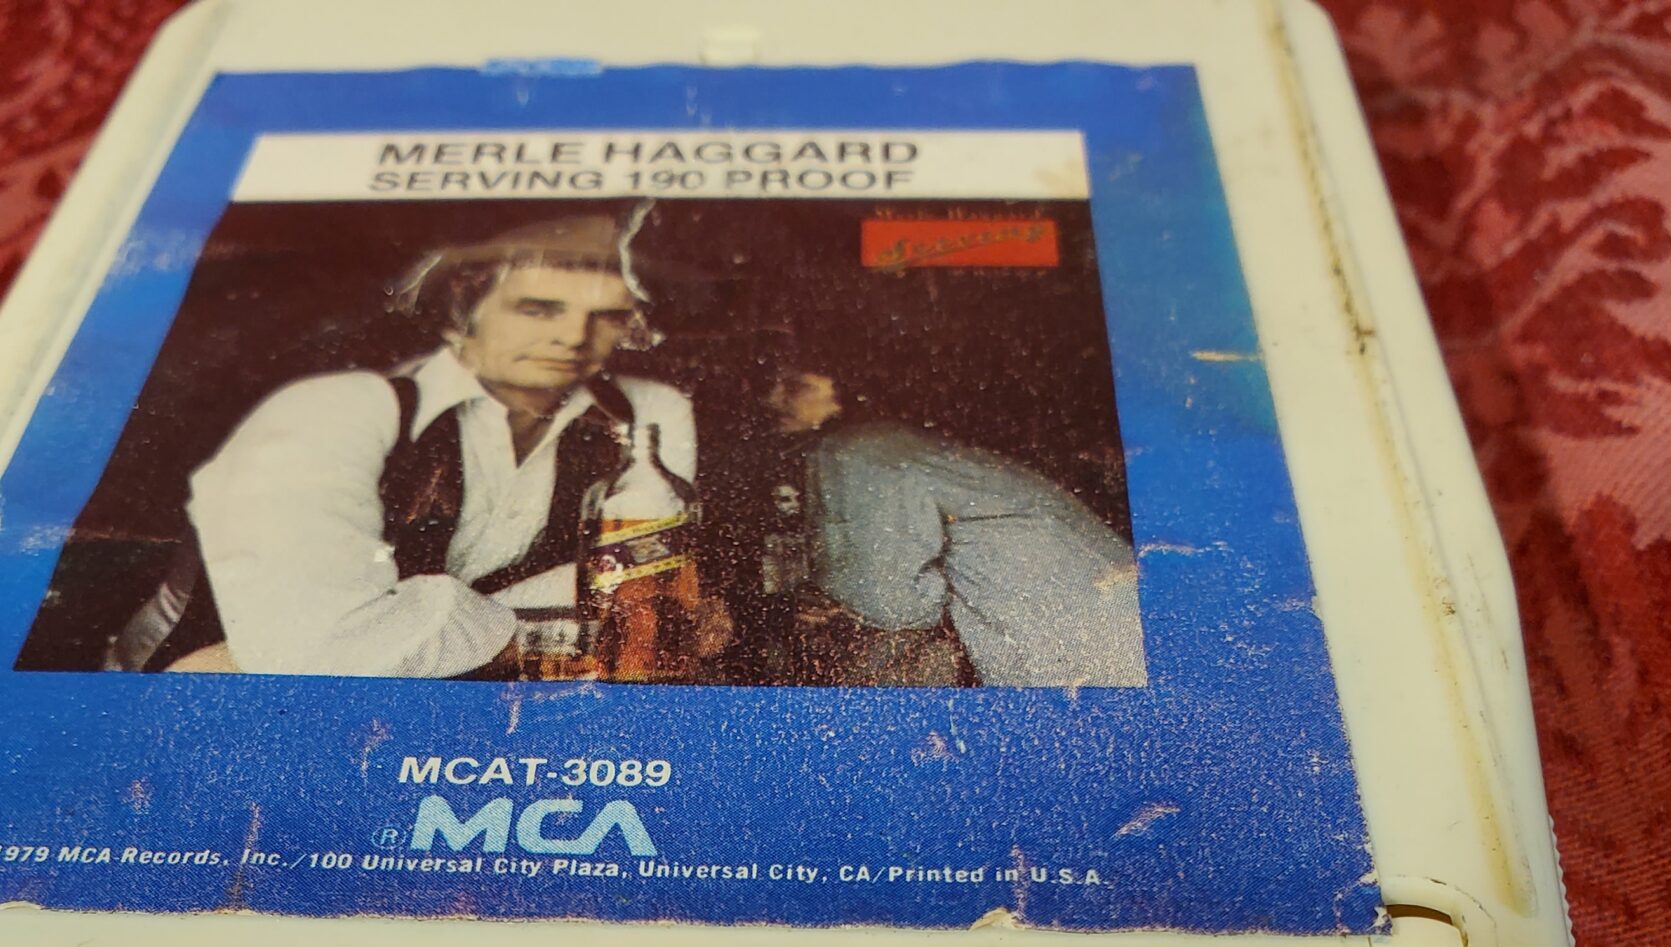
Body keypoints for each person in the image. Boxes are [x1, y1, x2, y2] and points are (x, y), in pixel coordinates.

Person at [135, 212, 702, 676]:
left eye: (606, 316)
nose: (574, 337)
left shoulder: (645, 413)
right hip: (209, 706)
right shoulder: (336, 410)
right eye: (537, 310)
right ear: (461, 315)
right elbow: (320, 649)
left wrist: (427, 630)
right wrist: (571, 627)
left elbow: (641, 601)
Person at [765, 370, 1147, 689]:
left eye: (791, 384)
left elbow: (889, 602)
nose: (772, 397)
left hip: (1083, 658)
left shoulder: (852, 451)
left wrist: (831, 604)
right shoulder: (905, 445)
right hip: (1121, 636)